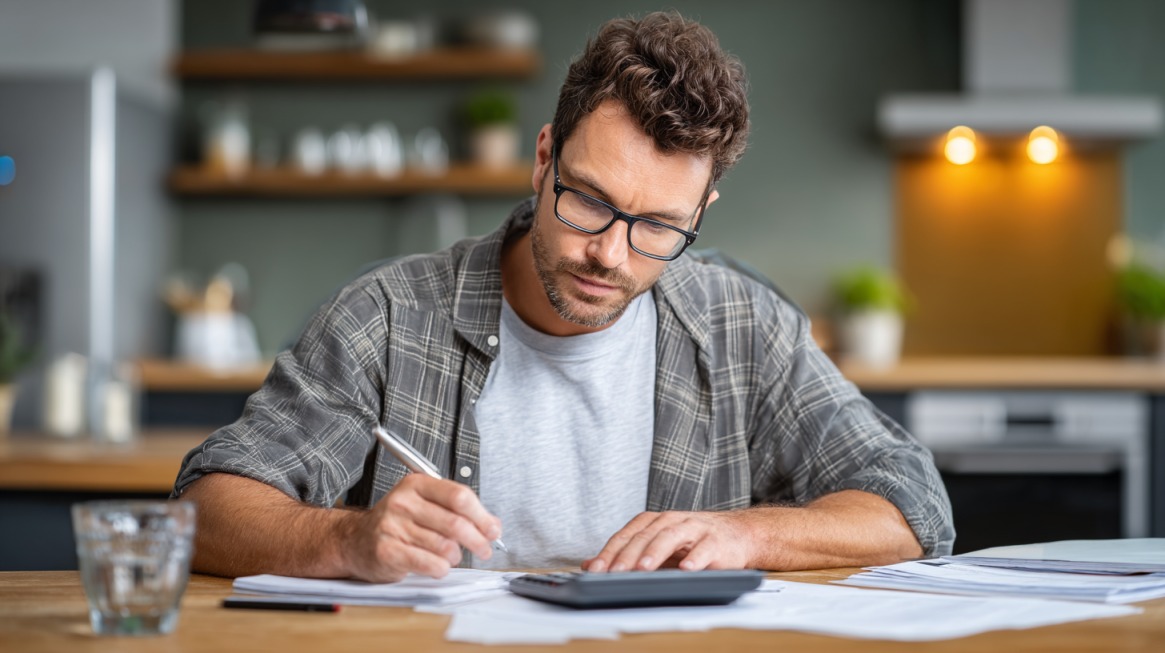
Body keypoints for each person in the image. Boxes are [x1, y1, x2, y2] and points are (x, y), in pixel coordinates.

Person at [173, 12, 954, 582]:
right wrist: (342, 539)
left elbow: (913, 504)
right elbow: (206, 508)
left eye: (657, 228)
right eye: (588, 201)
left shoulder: (742, 325)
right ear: (543, 158)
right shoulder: (385, 316)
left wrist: (745, 534)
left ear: (700, 215)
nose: (609, 253)